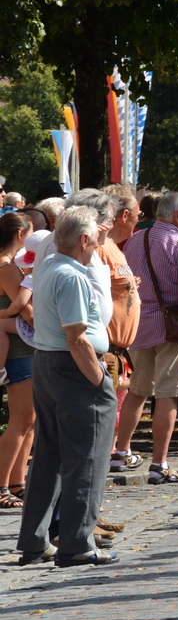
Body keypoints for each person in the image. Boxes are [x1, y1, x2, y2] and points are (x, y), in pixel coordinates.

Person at [15, 205, 118, 568]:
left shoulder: (47, 268)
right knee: (87, 457)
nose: (99, 244)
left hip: (47, 363)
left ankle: (34, 540)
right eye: (96, 238)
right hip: (72, 367)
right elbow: (77, 338)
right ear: (84, 239)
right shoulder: (72, 276)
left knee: (49, 456)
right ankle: (76, 543)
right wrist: (98, 379)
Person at [114, 191, 178, 487]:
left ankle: (122, 451)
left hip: (139, 323)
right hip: (173, 328)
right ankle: (159, 463)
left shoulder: (135, 240)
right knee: (169, 393)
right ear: (177, 215)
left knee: (138, 389)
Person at [0, 214, 35, 507]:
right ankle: (2, 486)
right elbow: (25, 311)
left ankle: (17, 482)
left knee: (29, 420)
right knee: (21, 421)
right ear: (21, 234)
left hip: (21, 349)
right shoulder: (7, 268)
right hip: (19, 352)